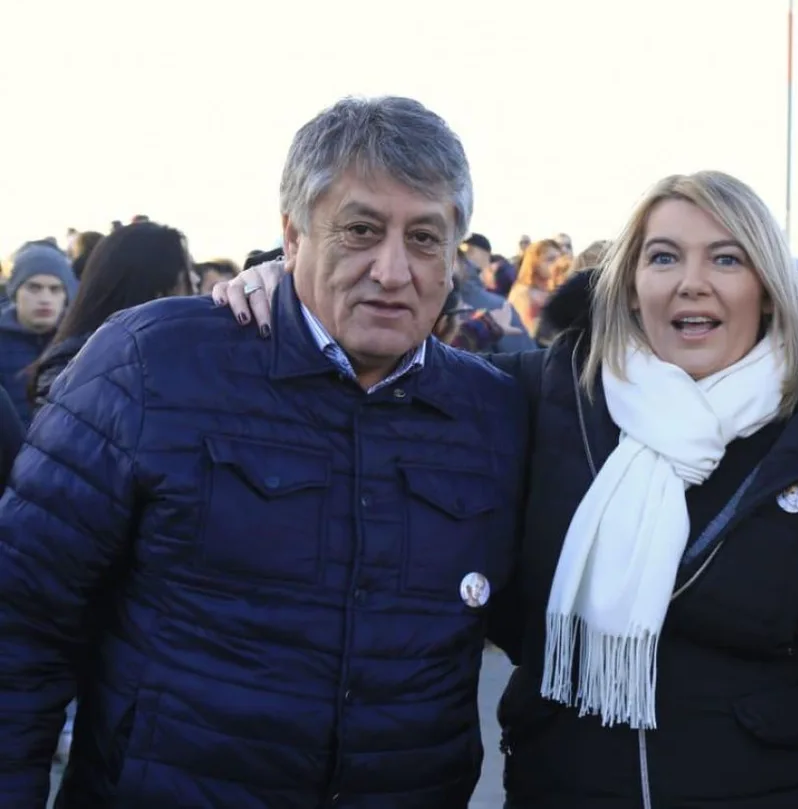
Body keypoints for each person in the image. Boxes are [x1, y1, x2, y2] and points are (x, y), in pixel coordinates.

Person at [220, 170, 798, 807]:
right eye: (664, 256)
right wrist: (282, 283)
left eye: (727, 257)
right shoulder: (544, 394)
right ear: (629, 283)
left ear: (769, 288)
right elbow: (395, 372)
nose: (692, 281)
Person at [0, 96, 526, 807]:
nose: (393, 269)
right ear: (294, 235)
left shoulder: (493, 411)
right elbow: (22, 619)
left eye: (425, 238)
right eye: (360, 230)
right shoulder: (154, 364)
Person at [27, 220, 196, 411]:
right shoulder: (74, 369)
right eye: (187, 270)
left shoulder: (171, 357)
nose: (195, 279)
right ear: (157, 288)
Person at [0, 242, 77, 427]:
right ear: (15, 292)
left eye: (55, 289)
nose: (45, 299)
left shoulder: (82, 344)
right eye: (34, 288)